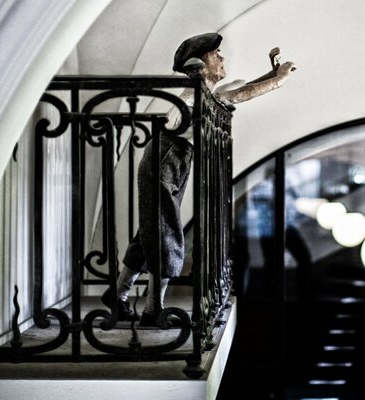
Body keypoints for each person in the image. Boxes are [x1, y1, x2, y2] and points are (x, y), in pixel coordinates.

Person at [102, 32, 297, 326]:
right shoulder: (196, 95)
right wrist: (279, 80)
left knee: (151, 231)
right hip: (166, 159)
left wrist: (272, 72)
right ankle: (154, 310)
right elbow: (237, 96)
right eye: (216, 54)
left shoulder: (207, 93)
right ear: (200, 64)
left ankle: (118, 295)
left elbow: (241, 89)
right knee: (164, 232)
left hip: (173, 160)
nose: (222, 58)